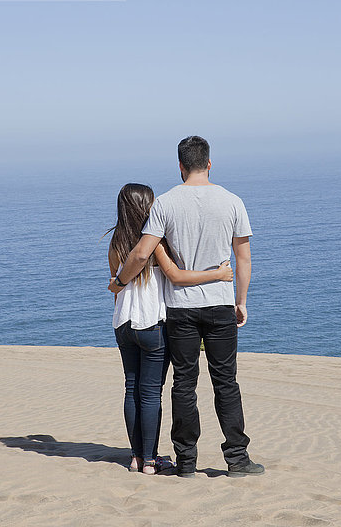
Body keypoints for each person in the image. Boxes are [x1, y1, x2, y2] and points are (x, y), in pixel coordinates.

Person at [109, 136, 264, 478]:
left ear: (180, 166)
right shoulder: (233, 201)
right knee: (226, 383)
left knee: (184, 383)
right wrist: (241, 301)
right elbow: (244, 257)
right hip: (220, 304)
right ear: (209, 163)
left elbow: (140, 253)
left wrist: (118, 284)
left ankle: (186, 462)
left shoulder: (165, 203)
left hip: (180, 309)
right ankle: (237, 459)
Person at [107, 183, 234, 475]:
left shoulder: (114, 243)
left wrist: (122, 284)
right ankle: (150, 461)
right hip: (153, 322)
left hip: (123, 322)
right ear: (146, 207)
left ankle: (136, 457)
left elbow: (115, 286)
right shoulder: (155, 242)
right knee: (151, 393)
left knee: (131, 388)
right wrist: (219, 273)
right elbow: (176, 276)